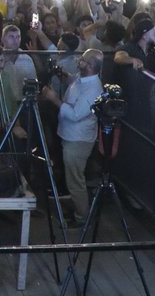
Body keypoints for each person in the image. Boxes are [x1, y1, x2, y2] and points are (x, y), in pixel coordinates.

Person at [43, 49, 104, 225]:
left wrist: (54, 99)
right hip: (69, 135)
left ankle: (81, 217)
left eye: (82, 60)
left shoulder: (93, 90)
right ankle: (78, 208)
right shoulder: (83, 78)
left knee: (75, 179)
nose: (79, 61)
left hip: (78, 140)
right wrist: (63, 75)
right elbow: (74, 81)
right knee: (72, 176)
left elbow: (76, 114)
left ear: (90, 66)